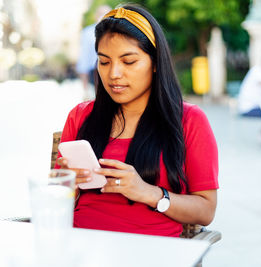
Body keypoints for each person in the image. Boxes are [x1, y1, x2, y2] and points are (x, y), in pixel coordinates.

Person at [56, 4, 218, 237]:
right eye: (104, 62)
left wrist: (148, 193)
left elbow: (206, 210)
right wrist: (67, 185)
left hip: (151, 252)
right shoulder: (81, 116)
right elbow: (58, 208)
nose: (114, 74)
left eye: (128, 61)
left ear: (154, 62)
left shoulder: (189, 121)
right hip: (81, 247)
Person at [76, 5, 111, 100]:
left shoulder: (116, 32)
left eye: (107, 13)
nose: (104, 16)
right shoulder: (88, 33)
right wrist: (85, 88)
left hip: (113, 71)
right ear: (96, 16)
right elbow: (84, 58)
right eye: (101, 14)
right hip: (95, 72)